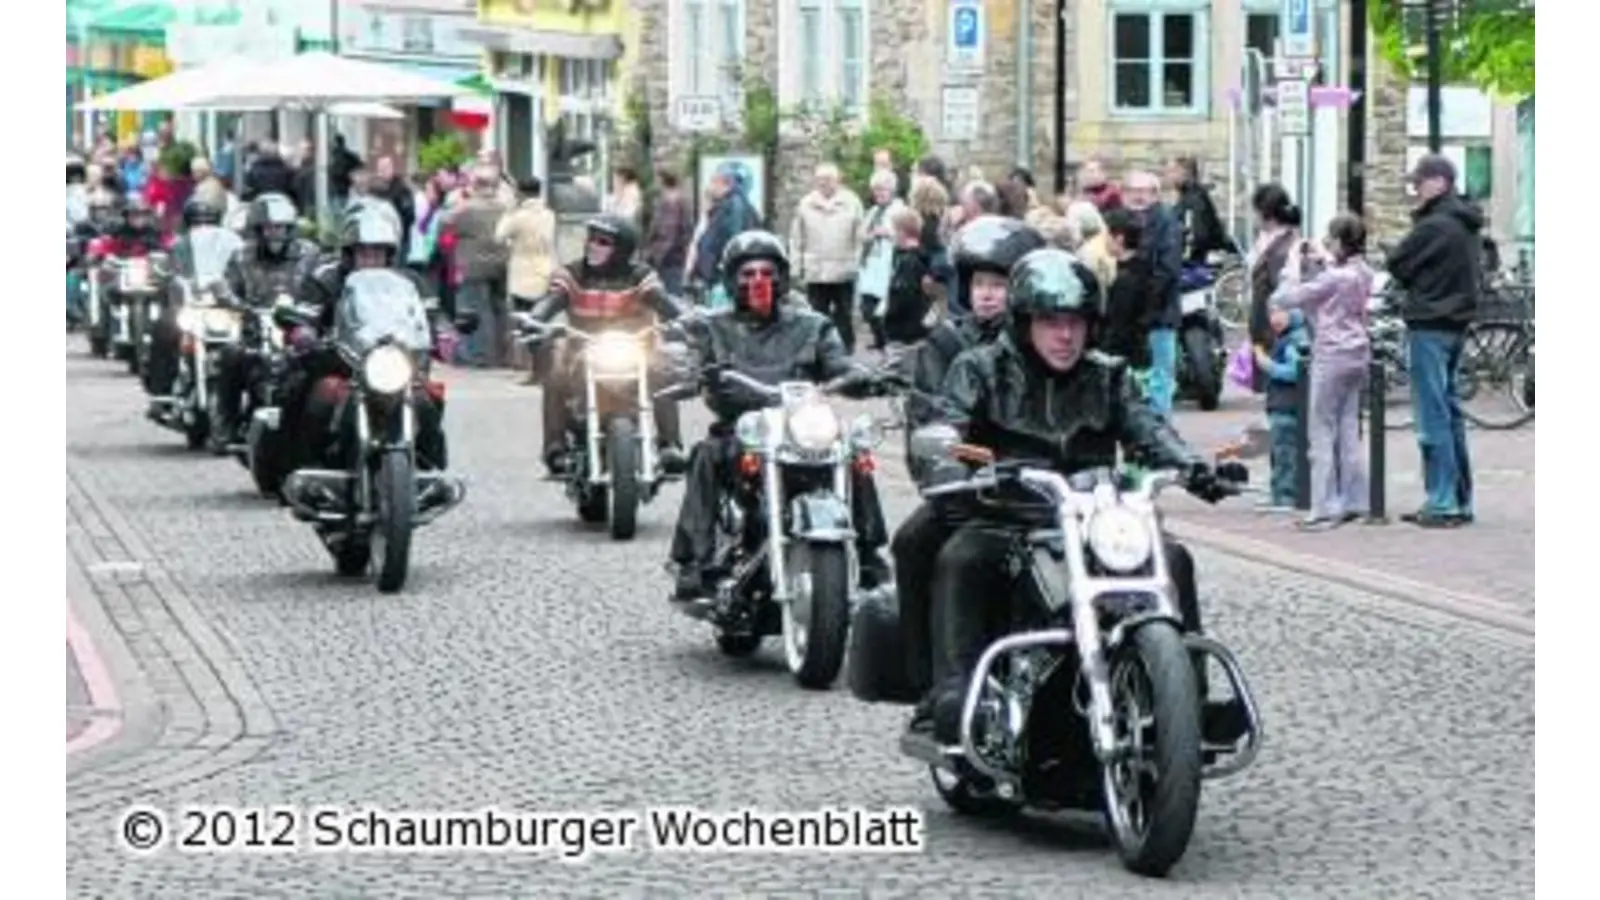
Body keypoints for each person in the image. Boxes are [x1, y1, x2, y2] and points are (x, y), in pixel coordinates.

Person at [904, 247, 1240, 744]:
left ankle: (1188, 700)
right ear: (1024, 323)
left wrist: (1193, 469)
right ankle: (953, 690)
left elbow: (1150, 429)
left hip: (1093, 519)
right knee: (962, 558)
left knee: (1172, 557)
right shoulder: (980, 369)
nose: (1065, 335)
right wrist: (950, 458)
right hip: (1006, 514)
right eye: (1050, 321)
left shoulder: (1108, 375)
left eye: (1076, 322)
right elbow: (947, 423)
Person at [668, 231, 892, 600]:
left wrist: (861, 378)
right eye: (748, 274)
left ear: (782, 277)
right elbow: (688, 360)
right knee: (707, 454)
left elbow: (839, 364)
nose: (759, 281)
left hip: (801, 427)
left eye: (767, 273)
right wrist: (687, 373)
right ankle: (695, 560)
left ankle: (868, 553)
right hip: (742, 430)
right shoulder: (712, 325)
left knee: (850, 451)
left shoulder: (812, 325)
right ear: (731, 279)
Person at [888, 218, 1047, 703]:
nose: (988, 295)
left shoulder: (1050, 340)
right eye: (980, 284)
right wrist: (946, 476)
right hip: (971, 494)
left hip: (1047, 496)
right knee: (912, 544)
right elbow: (928, 417)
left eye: (999, 285)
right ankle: (929, 688)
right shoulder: (947, 345)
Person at [522, 214, 689, 477]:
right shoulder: (572, 274)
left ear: (622, 249)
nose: (593, 246)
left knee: (662, 366)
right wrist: (535, 319)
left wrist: (684, 319)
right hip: (582, 347)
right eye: (591, 239)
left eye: (603, 242)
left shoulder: (640, 275)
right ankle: (555, 448)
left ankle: (670, 445)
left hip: (634, 348)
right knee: (554, 366)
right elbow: (553, 299)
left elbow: (661, 299)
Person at [285, 206, 445, 471]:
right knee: (321, 395)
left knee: (426, 400)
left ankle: (430, 464)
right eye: (363, 251)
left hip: (395, 363)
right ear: (349, 253)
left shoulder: (410, 282)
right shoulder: (327, 278)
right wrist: (305, 332)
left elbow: (432, 316)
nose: (371, 258)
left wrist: (444, 333)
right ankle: (306, 464)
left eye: (378, 252)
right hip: (343, 363)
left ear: (389, 254)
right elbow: (305, 314)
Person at [1384, 154, 1482, 527]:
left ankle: (1442, 501)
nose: (1415, 191)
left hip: (1429, 321)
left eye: (1419, 183)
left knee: (1433, 416)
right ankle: (1460, 498)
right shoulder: (1466, 222)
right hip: (1457, 322)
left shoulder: (1435, 226)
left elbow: (1398, 263)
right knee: (1451, 412)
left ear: (1439, 182)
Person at [1271, 212, 1375, 528]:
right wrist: (1319, 263)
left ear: (1342, 242)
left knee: (1321, 429)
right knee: (1348, 427)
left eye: (1331, 238)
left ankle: (1324, 507)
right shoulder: (1364, 272)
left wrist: (1291, 271)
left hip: (1331, 353)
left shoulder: (1334, 278)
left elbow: (1288, 298)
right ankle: (1355, 499)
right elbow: (1334, 278)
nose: (1327, 243)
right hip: (1359, 351)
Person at [212, 193, 320, 444]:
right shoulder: (242, 257)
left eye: (281, 228)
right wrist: (237, 304)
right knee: (231, 355)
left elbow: (323, 286)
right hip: (254, 330)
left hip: (299, 329)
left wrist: (310, 310)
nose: (275, 234)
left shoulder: (309, 255)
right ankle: (225, 421)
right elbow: (227, 286)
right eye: (269, 228)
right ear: (258, 229)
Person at [1123, 170, 1184, 415]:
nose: (1138, 197)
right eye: (1132, 191)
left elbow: (1167, 270)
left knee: (1160, 375)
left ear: (1155, 194)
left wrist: (1148, 308)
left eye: (1143, 191)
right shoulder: (1123, 220)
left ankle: (1159, 429)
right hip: (1129, 315)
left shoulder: (1165, 222)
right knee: (1135, 378)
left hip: (1159, 314)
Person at [789, 163, 866, 352]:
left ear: (838, 180)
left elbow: (860, 237)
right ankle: (818, 348)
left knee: (844, 314)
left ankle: (846, 349)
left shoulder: (852, 202)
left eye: (829, 179)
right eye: (820, 179)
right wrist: (796, 266)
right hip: (816, 269)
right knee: (816, 313)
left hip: (843, 268)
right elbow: (797, 237)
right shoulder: (805, 204)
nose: (824, 183)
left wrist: (857, 263)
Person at [444, 167, 511, 367]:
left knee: (473, 311)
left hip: (473, 265)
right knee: (499, 310)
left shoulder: (465, 208)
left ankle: (477, 355)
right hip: (501, 264)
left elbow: (445, 224)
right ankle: (501, 354)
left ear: (475, 185)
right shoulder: (504, 207)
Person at [1255, 308, 1310, 512]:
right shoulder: (1288, 338)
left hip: (1287, 406)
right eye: (1272, 313)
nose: (1274, 319)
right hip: (1283, 405)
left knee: (1285, 453)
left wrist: (1268, 365)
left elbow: (1297, 371)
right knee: (1280, 452)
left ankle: (1286, 496)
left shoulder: (1294, 340)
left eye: (1281, 312)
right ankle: (1279, 493)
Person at [687, 164, 760, 302]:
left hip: (724, 279)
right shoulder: (726, 205)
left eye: (714, 181)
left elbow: (733, 241)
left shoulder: (733, 207)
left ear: (726, 183)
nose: (710, 186)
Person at [856, 169, 908, 351]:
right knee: (867, 307)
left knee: (883, 308)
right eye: (876, 190)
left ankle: (886, 342)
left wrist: (887, 233)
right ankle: (879, 339)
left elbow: (907, 234)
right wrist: (866, 235)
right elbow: (862, 233)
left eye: (883, 189)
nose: (879, 194)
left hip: (888, 264)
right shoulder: (873, 211)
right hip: (871, 264)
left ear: (892, 190)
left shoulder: (900, 210)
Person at [1097, 207, 1156, 368]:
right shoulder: (1145, 269)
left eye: (1107, 235)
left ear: (1119, 239)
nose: (1105, 240)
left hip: (1130, 361)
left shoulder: (1126, 281)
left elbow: (1120, 327)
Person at [879, 207, 937, 347]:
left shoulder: (908, 263)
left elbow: (902, 298)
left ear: (901, 232)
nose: (890, 235)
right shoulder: (923, 257)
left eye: (892, 230)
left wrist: (887, 321)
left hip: (904, 332)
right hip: (917, 328)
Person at [1166, 155, 1232, 265]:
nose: (1168, 176)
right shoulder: (1189, 195)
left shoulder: (1195, 199)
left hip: (1199, 261)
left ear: (1185, 173)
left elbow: (1199, 234)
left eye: (1172, 172)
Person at [643, 168, 693, 297]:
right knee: (673, 292)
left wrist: (654, 255)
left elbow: (668, 232)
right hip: (677, 254)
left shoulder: (669, 202)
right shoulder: (682, 199)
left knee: (669, 295)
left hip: (667, 257)